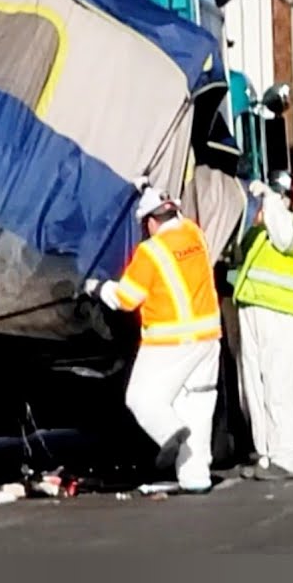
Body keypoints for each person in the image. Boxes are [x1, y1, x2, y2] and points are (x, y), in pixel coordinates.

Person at [85, 187, 222, 494]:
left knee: (141, 399)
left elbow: (126, 299)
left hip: (169, 341)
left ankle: (170, 432)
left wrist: (97, 288)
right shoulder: (194, 234)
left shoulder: (151, 251)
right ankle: (196, 477)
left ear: (149, 222)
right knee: (197, 404)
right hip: (209, 338)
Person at [233, 177, 293, 481]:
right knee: (255, 388)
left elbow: (287, 238)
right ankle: (266, 454)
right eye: (291, 193)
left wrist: (271, 200)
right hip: (256, 307)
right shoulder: (274, 222)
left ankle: (287, 457)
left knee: (281, 388)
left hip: (288, 316)